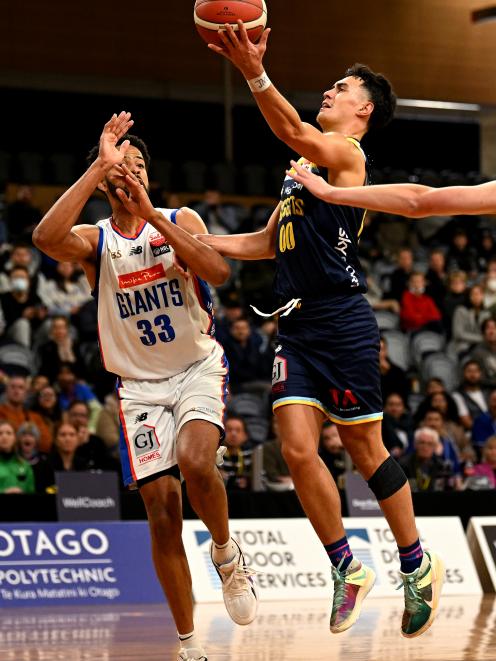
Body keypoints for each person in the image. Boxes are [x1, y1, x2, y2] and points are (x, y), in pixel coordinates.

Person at [202, 23, 443, 638]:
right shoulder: (304, 165)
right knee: (297, 447)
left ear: (363, 109)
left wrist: (253, 70)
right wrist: (194, 240)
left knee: (365, 451)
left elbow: (289, 128)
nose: (329, 92)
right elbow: (266, 242)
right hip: (297, 323)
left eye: (341, 87)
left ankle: (415, 564)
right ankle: (346, 566)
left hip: (341, 318)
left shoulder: (347, 155)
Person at [32, 112, 257, 661]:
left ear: (148, 177)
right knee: (161, 512)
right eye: (117, 168)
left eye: (135, 165)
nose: (126, 172)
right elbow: (45, 237)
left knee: (198, 462)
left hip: (195, 368)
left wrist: (153, 215)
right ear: (106, 181)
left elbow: (219, 274)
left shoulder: (180, 218)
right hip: (138, 387)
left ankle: (226, 556)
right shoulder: (96, 240)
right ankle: (187, 645)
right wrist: (95, 167)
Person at [0, 420, 35, 494]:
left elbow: (31, 491)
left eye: (9, 433)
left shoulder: (24, 465)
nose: (4, 436)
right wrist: (4, 492)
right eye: (0, 433)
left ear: (15, 438)